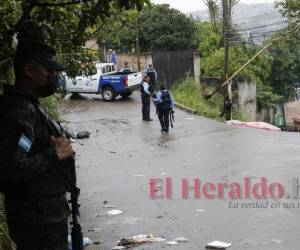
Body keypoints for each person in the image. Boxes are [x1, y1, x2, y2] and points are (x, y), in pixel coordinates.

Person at [0, 40, 74, 250]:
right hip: (37, 223)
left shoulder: (29, 105)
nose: (53, 76)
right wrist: (55, 154)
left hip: (46, 218)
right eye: (48, 70)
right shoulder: (19, 111)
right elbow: (11, 167)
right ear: (29, 70)